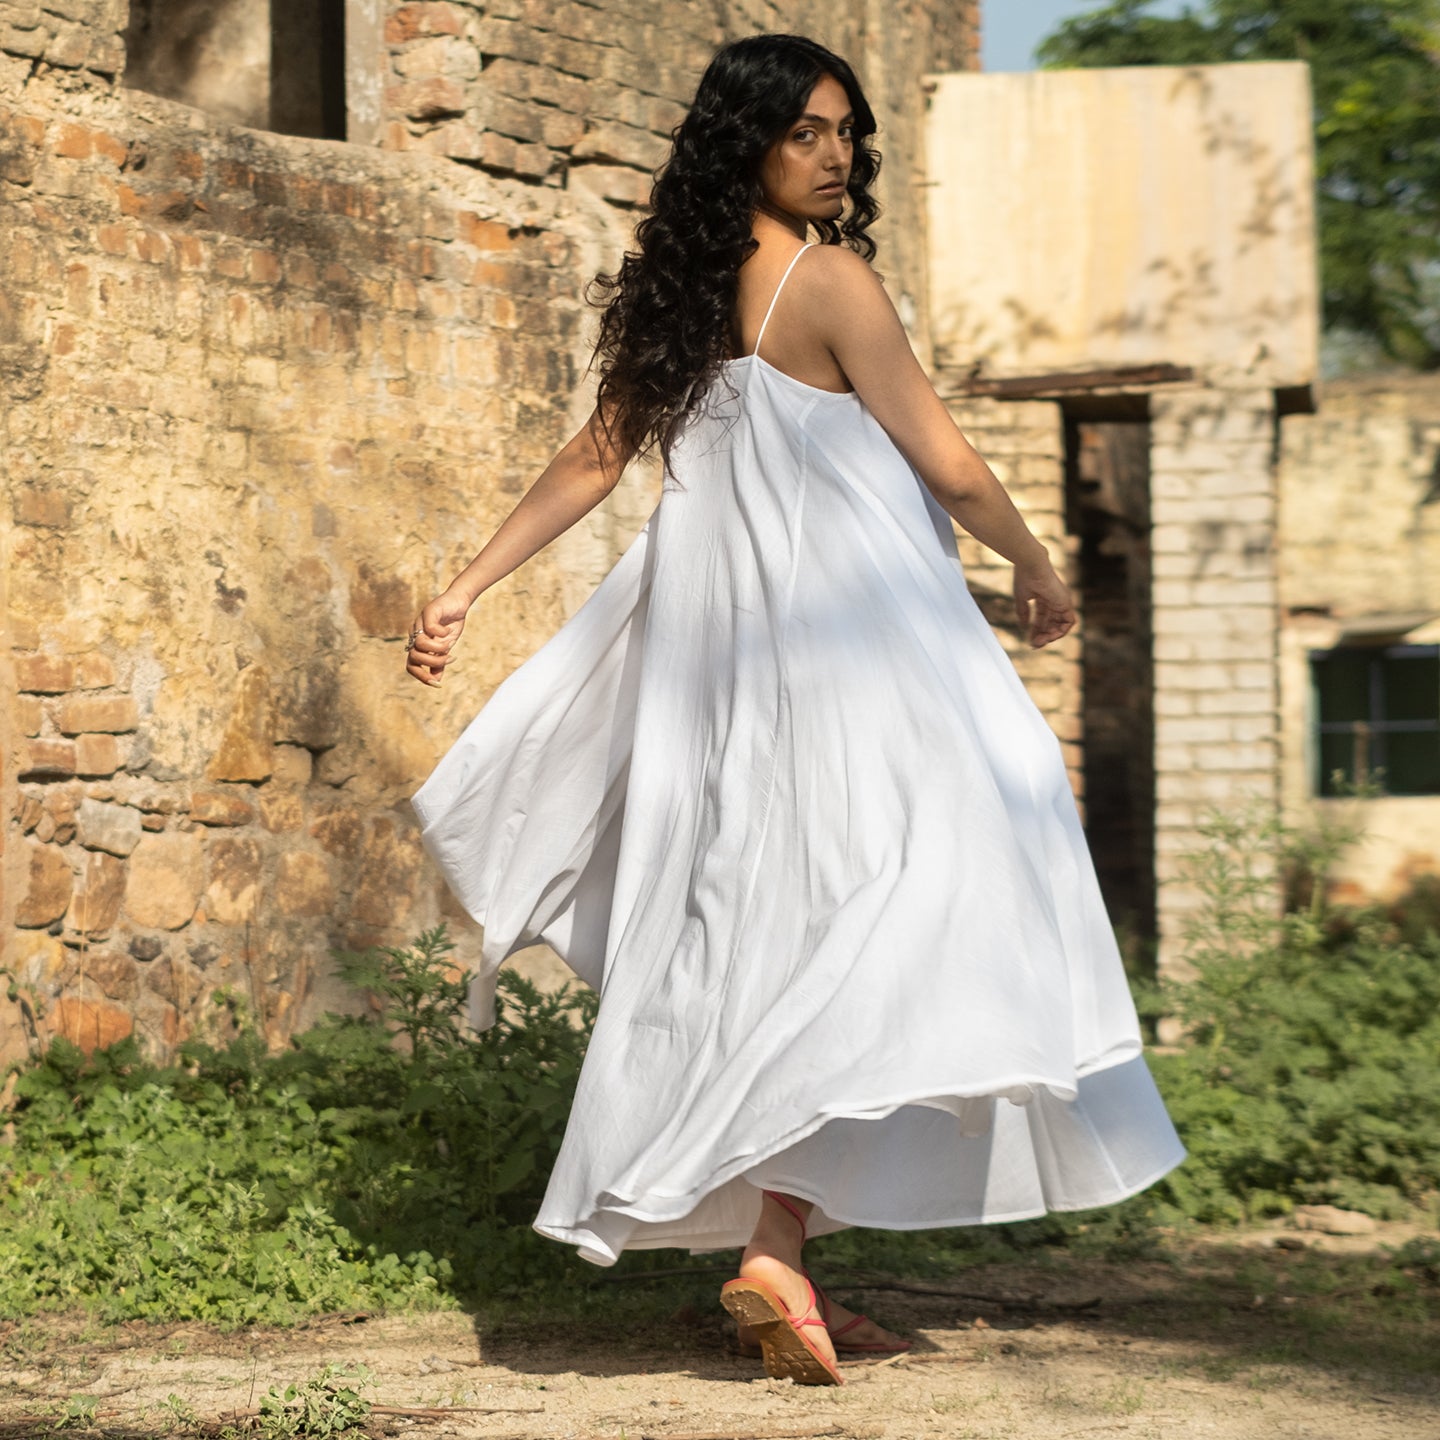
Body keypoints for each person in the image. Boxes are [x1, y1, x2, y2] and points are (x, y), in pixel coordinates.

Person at [405, 33, 1186, 1387]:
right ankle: (777, 1240)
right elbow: (945, 463)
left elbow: (601, 461)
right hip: (855, 665)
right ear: (747, 142)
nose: (837, 156)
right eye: (807, 131)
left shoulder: (684, 292)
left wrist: (466, 588)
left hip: (726, 672)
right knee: (941, 878)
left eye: (847, 133)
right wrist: (1035, 563)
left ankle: (780, 1249)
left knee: (782, 930)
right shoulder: (830, 283)